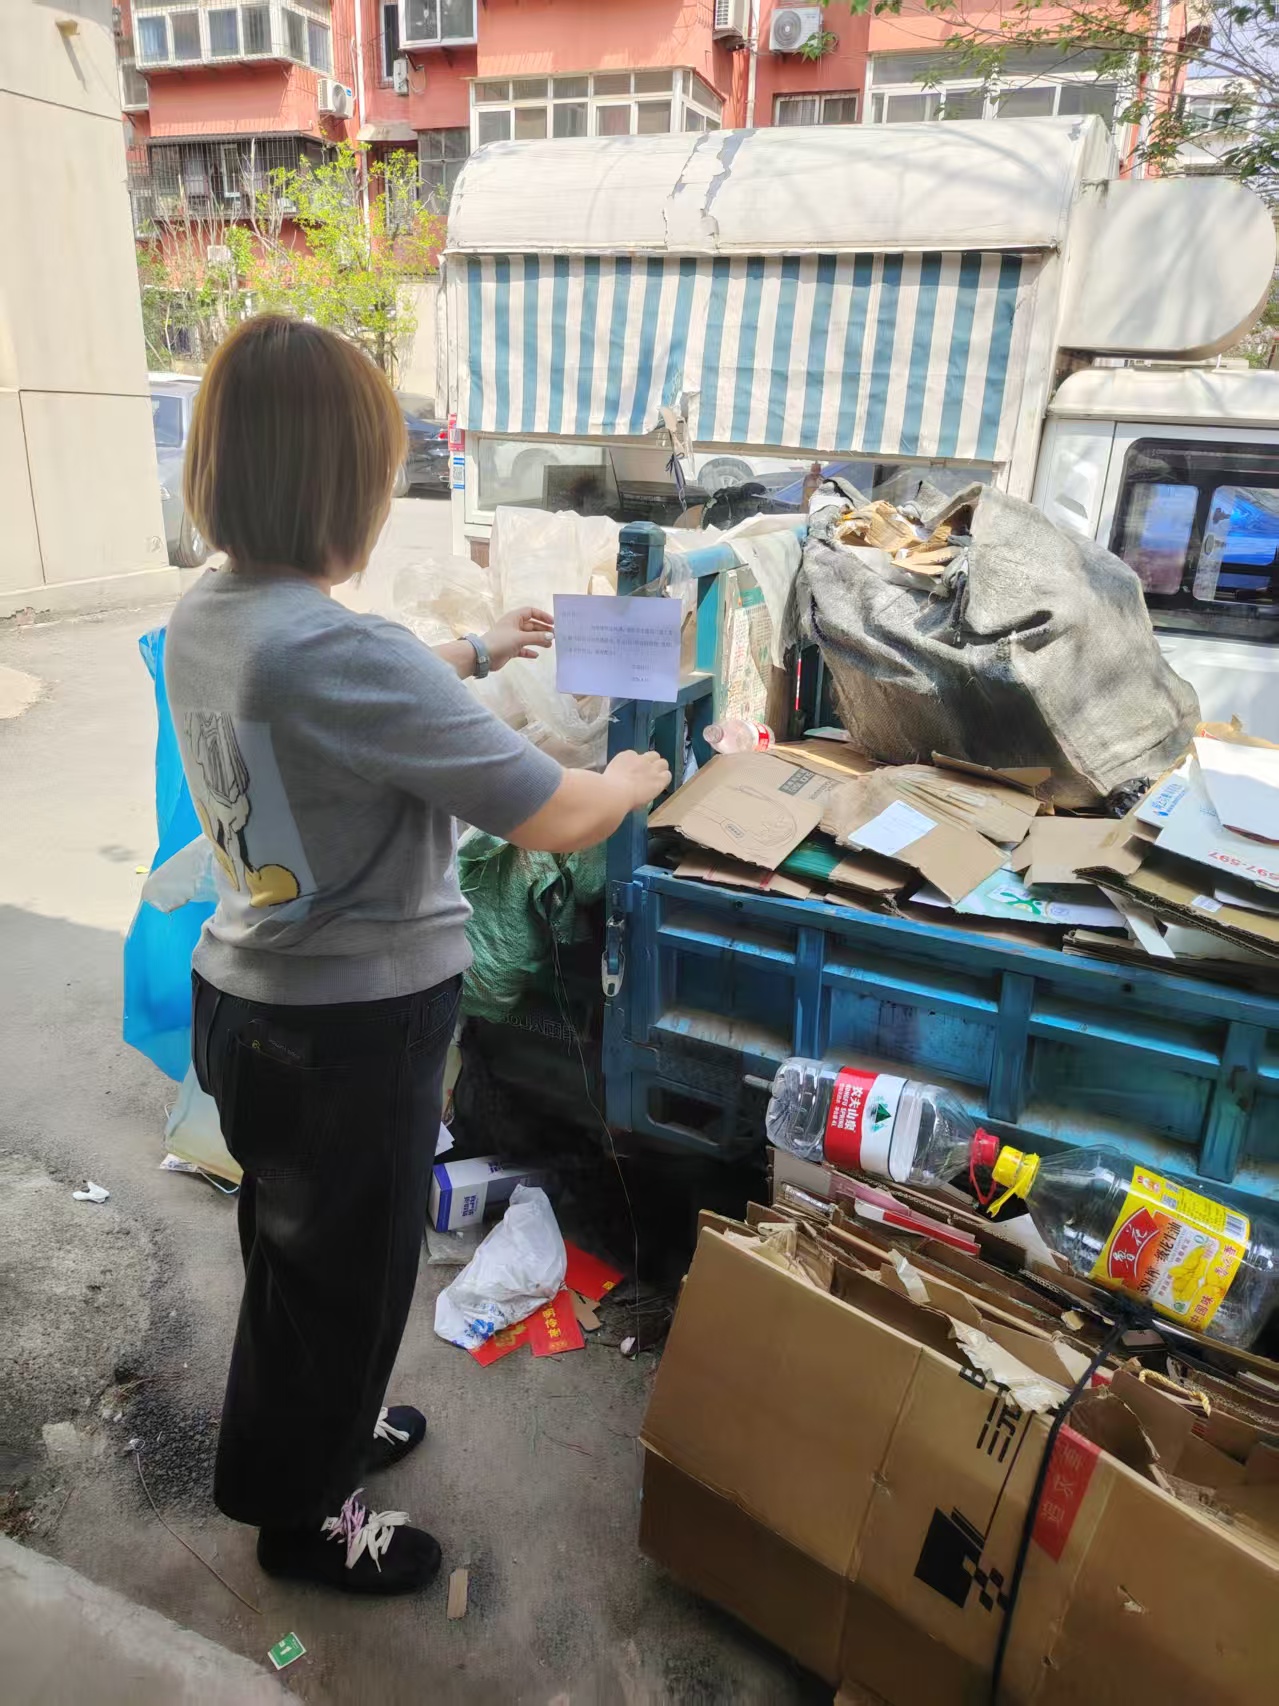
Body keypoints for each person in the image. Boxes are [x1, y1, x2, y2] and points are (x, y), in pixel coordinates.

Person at [165, 316, 670, 1597]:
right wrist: (628, 777)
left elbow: (345, 694)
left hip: (247, 1004)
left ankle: (315, 1433)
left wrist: (480, 650)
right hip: (345, 1038)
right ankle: (307, 1518)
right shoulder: (338, 650)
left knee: (298, 1263)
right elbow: (552, 814)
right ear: (341, 485)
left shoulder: (214, 614)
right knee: (348, 1283)